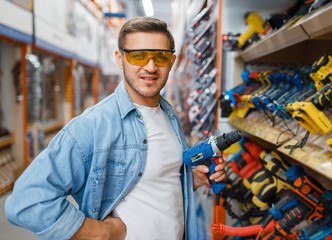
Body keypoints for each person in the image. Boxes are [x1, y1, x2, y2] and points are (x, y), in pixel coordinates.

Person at [5, 16, 227, 240]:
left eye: (160, 56)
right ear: (119, 59)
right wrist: (103, 232)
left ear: (172, 61)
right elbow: (27, 201)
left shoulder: (169, 116)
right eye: (138, 55)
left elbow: (154, 185)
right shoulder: (93, 125)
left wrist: (193, 181)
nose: (150, 66)